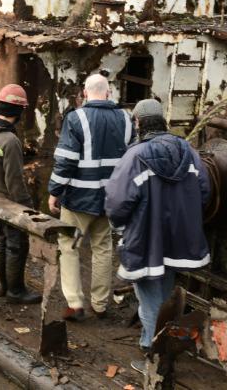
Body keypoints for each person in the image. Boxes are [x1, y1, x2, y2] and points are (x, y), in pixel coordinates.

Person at [105, 98, 210, 359]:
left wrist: (118, 225)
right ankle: (163, 341)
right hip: (180, 238)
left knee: (150, 296)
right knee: (164, 290)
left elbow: (118, 200)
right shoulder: (188, 152)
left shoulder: (135, 156)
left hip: (146, 237)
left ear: (138, 123)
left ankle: (154, 353)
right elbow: (205, 191)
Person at [48, 73, 134, 321]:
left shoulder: (76, 119)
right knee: (103, 248)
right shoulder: (126, 120)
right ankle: (100, 304)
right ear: (108, 93)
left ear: (85, 93)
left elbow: (65, 161)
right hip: (110, 200)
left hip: (78, 200)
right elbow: (131, 161)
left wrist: (55, 191)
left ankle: (75, 303)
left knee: (70, 246)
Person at [0, 83, 42, 305]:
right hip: (7, 201)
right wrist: (27, 207)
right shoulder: (10, 141)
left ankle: (5, 287)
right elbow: (15, 181)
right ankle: (15, 290)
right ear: (19, 111)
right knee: (17, 243)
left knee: (3, 241)